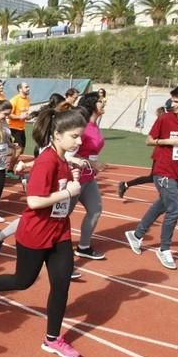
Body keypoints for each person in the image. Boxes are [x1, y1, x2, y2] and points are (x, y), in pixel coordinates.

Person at [0, 108, 88, 357]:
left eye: (81, 136)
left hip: (60, 232)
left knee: (62, 283)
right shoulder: (47, 160)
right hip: (36, 234)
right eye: (75, 136)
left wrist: (75, 167)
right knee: (23, 281)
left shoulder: (59, 156)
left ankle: (52, 338)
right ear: (57, 134)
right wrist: (69, 192)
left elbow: (56, 170)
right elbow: (34, 201)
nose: (80, 141)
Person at [124, 85, 178, 270]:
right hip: (163, 169)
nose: (173, 104)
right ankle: (164, 249)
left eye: (177, 101)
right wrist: (168, 141)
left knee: (162, 205)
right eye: (172, 101)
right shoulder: (165, 119)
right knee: (174, 209)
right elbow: (149, 140)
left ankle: (136, 235)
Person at [67, 93, 108, 260]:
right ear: (92, 104)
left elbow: (91, 153)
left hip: (89, 178)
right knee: (57, 217)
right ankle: (6, 234)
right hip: (73, 177)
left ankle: (83, 247)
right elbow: (68, 154)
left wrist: (94, 164)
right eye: (100, 101)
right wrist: (92, 164)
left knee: (95, 210)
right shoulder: (81, 128)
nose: (104, 102)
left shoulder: (95, 126)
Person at [8, 82, 32, 160]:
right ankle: (10, 169)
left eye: (28, 87)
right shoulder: (14, 100)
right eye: (26, 87)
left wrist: (28, 117)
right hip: (13, 128)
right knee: (18, 149)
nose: (28, 88)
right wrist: (19, 117)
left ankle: (9, 158)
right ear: (20, 89)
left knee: (21, 150)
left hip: (22, 128)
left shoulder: (28, 99)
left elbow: (25, 114)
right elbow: (8, 114)